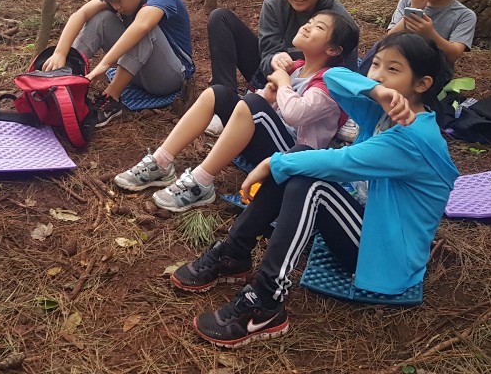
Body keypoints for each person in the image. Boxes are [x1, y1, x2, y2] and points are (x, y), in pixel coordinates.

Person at [171, 32, 459, 348]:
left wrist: (271, 163)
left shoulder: (412, 140)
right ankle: (234, 253)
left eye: (393, 69)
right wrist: (376, 90)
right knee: (299, 159)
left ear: (422, 84)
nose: (377, 74)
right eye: (376, 64)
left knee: (309, 180)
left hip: (387, 254)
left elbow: (342, 162)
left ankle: (266, 301)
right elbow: (333, 78)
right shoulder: (385, 111)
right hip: (371, 225)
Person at [113, 10, 359, 212]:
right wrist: (270, 94)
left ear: (334, 50)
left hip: (293, 157)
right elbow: (269, 104)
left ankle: (201, 183)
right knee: (217, 93)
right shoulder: (296, 68)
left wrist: (282, 84)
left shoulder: (328, 83)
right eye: (310, 21)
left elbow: (295, 114)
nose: (307, 26)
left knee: (251, 105)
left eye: (318, 27)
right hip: (267, 144)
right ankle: (161, 162)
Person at [205, 0, 359, 134]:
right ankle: (226, 105)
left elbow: (347, 75)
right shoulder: (274, 5)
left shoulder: (339, 21)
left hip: (309, 93)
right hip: (273, 77)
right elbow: (267, 55)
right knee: (220, 18)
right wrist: (274, 60)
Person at [42, 0, 194, 128]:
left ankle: (111, 98)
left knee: (144, 28)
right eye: (111, 2)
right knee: (103, 18)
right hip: (137, 70)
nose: (116, 7)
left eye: (119, 1)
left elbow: (142, 26)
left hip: (170, 76)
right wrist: (60, 52)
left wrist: (105, 63)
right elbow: (81, 14)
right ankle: (65, 77)